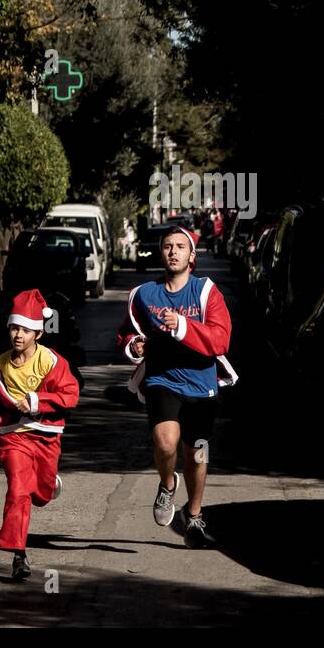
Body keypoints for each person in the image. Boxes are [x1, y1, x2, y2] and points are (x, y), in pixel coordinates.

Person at [116, 226, 237, 547]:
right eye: (168, 246)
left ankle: (194, 514)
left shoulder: (205, 292)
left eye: (180, 246)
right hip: (162, 378)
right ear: (161, 253)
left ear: (192, 256)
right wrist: (134, 345)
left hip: (201, 382)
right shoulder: (144, 294)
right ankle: (168, 485)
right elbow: (127, 332)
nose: (173, 251)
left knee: (196, 452)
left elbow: (221, 339)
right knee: (166, 443)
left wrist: (183, 325)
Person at [0, 289, 80, 580]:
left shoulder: (51, 362)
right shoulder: (1, 364)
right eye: (14, 328)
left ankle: (47, 483)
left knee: (41, 494)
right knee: (18, 490)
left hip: (46, 435)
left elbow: (71, 395)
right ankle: (18, 555)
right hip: (14, 436)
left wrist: (37, 401)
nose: (18, 335)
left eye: (24, 329)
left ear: (37, 333)